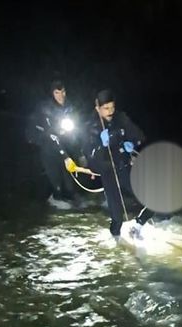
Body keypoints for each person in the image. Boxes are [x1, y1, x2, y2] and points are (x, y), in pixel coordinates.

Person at [83, 89, 153, 239]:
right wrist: (101, 146)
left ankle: (138, 225)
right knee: (117, 217)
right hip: (108, 172)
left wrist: (132, 143)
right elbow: (91, 159)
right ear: (98, 108)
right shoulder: (91, 126)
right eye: (106, 108)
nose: (110, 111)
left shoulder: (121, 118)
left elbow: (139, 136)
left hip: (124, 167)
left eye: (112, 107)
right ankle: (116, 245)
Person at [26, 80, 84, 209]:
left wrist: (79, 153)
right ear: (53, 93)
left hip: (63, 143)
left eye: (62, 92)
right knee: (55, 173)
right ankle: (55, 198)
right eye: (57, 93)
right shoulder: (46, 108)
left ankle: (71, 196)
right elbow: (50, 134)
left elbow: (75, 132)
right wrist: (65, 156)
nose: (60, 96)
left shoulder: (69, 107)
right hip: (47, 145)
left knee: (68, 174)